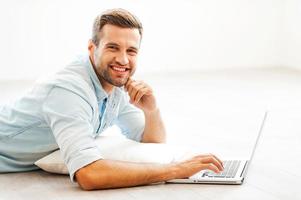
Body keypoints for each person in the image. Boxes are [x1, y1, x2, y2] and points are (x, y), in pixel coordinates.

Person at [0, 8, 224, 190]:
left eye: (132, 51)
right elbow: (89, 175)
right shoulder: (69, 91)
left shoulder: (114, 84)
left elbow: (151, 142)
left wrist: (151, 111)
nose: (123, 60)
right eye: (113, 47)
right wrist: (177, 170)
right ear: (92, 47)